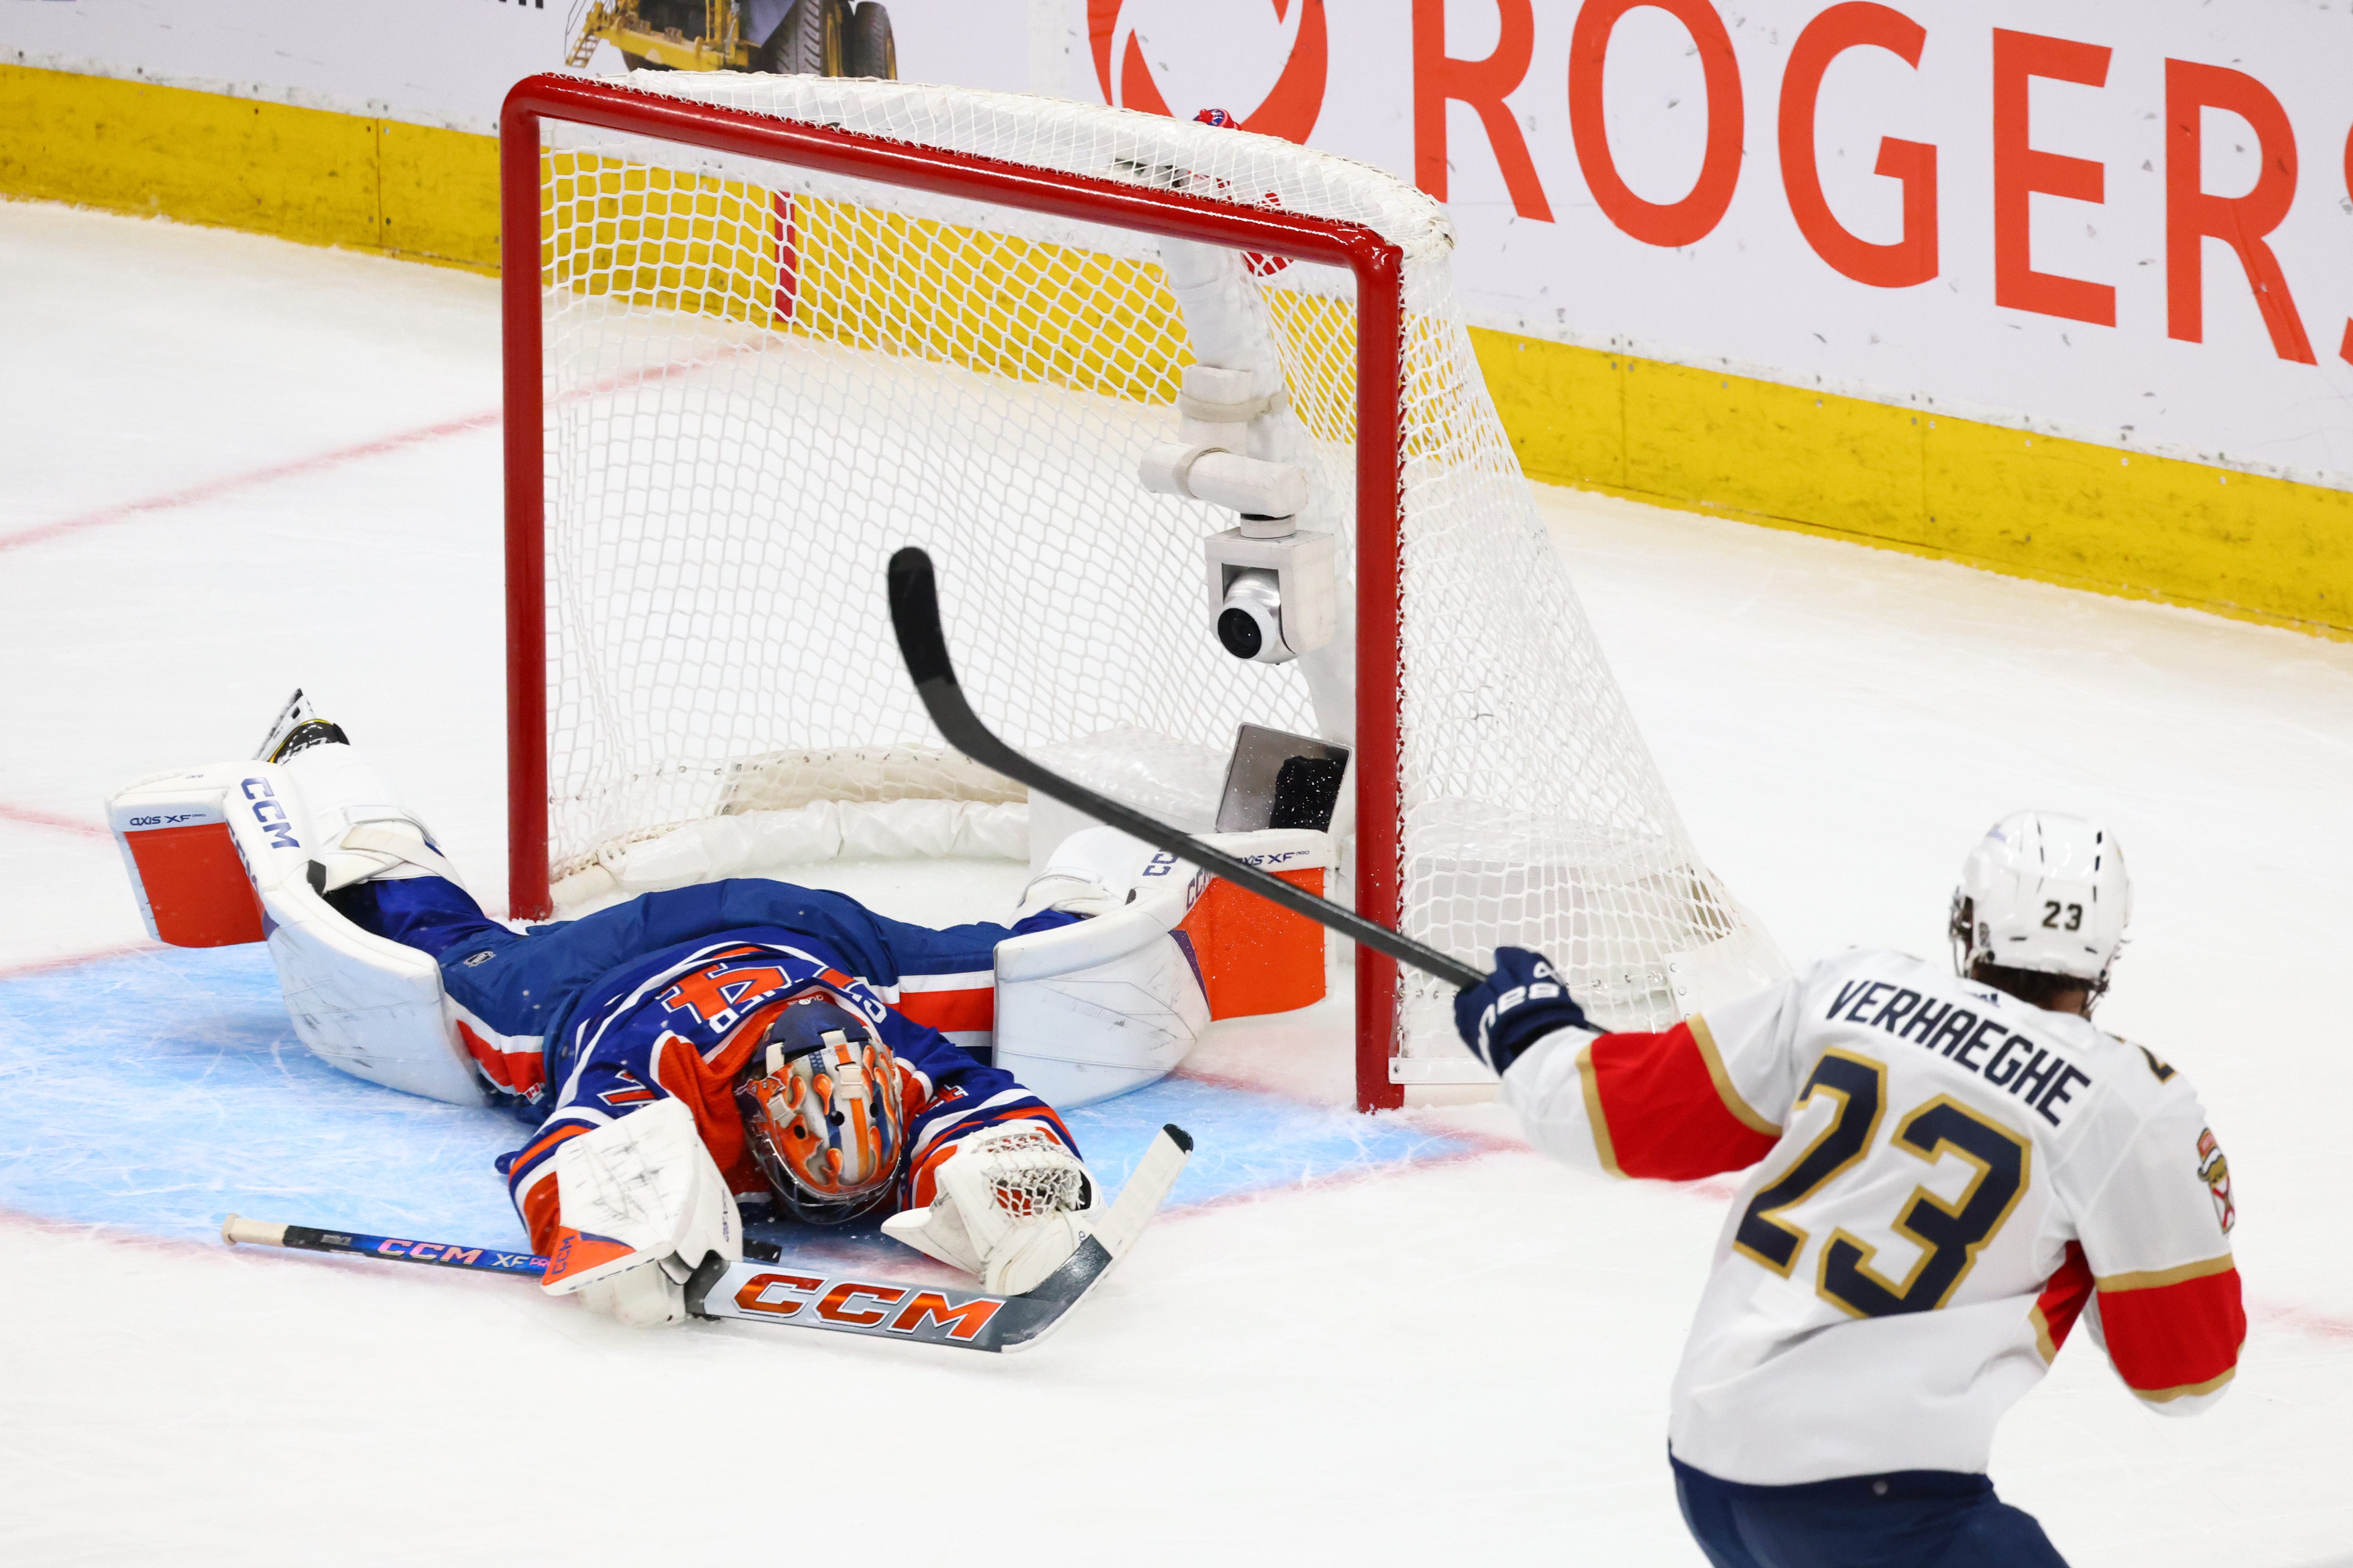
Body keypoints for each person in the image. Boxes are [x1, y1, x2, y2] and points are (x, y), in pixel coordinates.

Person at [241, 696, 1204, 1328]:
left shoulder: (888, 1055)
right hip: (590, 973)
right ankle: (325, 770)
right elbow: (573, 1139)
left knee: (1053, 964)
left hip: (808, 938)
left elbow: (974, 1104)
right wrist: (623, 1228)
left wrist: (1020, 1196)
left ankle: (1137, 833)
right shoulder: (661, 1073)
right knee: (451, 962)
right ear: (747, 1121)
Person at [1454, 812, 2243, 1567]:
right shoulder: (2126, 1104)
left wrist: (1534, 1032)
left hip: (1711, 1470)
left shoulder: (1848, 994)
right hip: (1883, 1508)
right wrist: (2139, 1218)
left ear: (1965, 921)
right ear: (2105, 958)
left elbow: (1609, 1116)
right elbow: (2184, 1377)